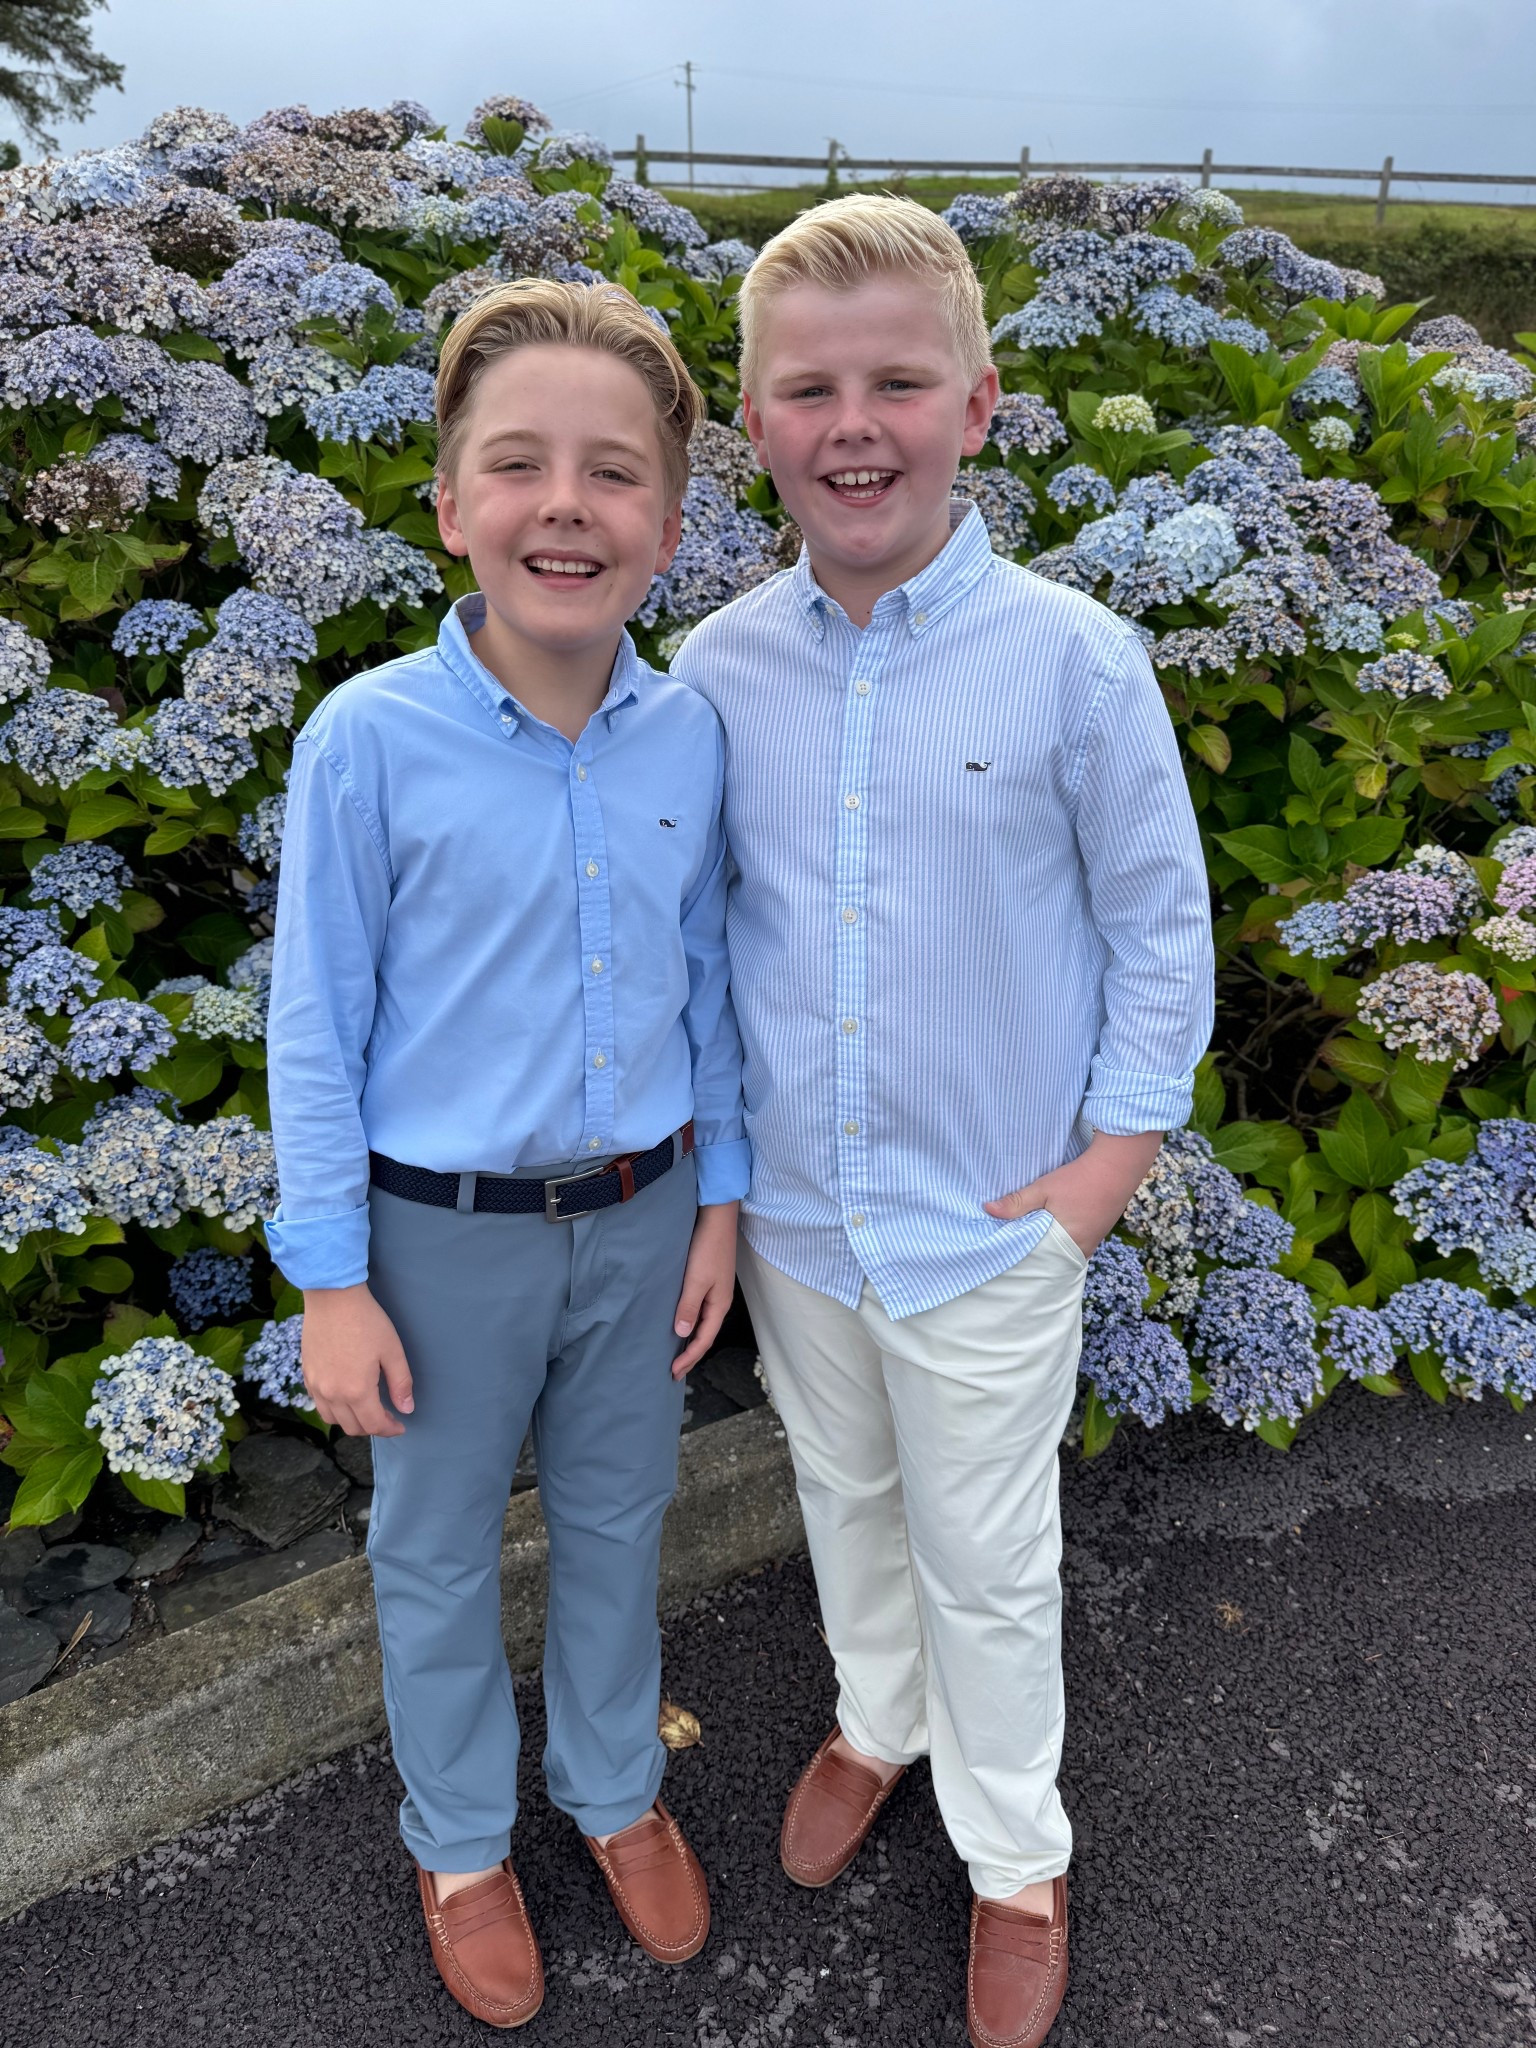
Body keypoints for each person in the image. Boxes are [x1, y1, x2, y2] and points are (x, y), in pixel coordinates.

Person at [671, 194, 1214, 2048]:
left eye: (899, 380)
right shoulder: (718, 674)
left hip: (993, 1223)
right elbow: (703, 951)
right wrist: (725, 1194)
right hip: (804, 1226)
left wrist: (1095, 1185)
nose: (856, 423)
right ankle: (874, 1717)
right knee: (848, 1500)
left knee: (992, 1556)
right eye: (810, 388)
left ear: (976, 404)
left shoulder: (1076, 662)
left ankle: (1015, 1852)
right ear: (754, 427)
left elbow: (1161, 940)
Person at [265, 278, 748, 2029]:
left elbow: (707, 989)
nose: (569, 505)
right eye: (520, 465)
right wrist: (330, 1277)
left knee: (625, 1519)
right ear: (452, 502)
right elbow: (313, 1026)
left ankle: (613, 1792)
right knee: (438, 1544)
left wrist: (724, 1201)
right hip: (437, 1237)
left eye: (615, 474)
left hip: (645, 1219)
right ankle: (461, 1838)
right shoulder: (367, 743)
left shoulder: (692, 730)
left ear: (672, 524)